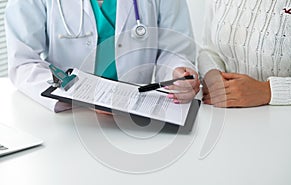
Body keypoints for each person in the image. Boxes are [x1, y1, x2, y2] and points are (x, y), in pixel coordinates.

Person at [5, 0, 200, 112]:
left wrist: (177, 74)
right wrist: (78, 96)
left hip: (135, 116)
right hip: (69, 116)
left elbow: (174, 50)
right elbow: (23, 62)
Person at [198, 0, 291, 108]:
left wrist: (268, 91)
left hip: (287, 116)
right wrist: (214, 76)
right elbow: (208, 49)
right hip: (228, 113)